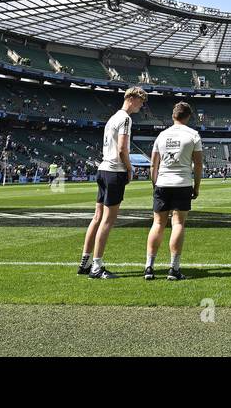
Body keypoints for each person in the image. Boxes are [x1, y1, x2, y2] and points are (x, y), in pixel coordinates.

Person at [79, 86, 147, 279]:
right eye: (141, 102)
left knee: (97, 217)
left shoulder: (112, 118)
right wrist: (129, 168)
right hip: (114, 171)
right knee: (108, 221)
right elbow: (122, 149)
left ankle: (85, 262)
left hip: (103, 170)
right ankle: (97, 267)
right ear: (133, 98)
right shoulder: (126, 118)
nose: (141, 106)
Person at [146, 101, 204, 281]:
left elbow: (153, 165)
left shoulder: (161, 136)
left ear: (173, 116)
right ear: (188, 116)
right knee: (177, 224)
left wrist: (155, 184)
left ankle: (149, 267)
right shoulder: (193, 135)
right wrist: (196, 186)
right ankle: (174, 269)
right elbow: (198, 165)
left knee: (158, 224)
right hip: (182, 183)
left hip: (162, 183)